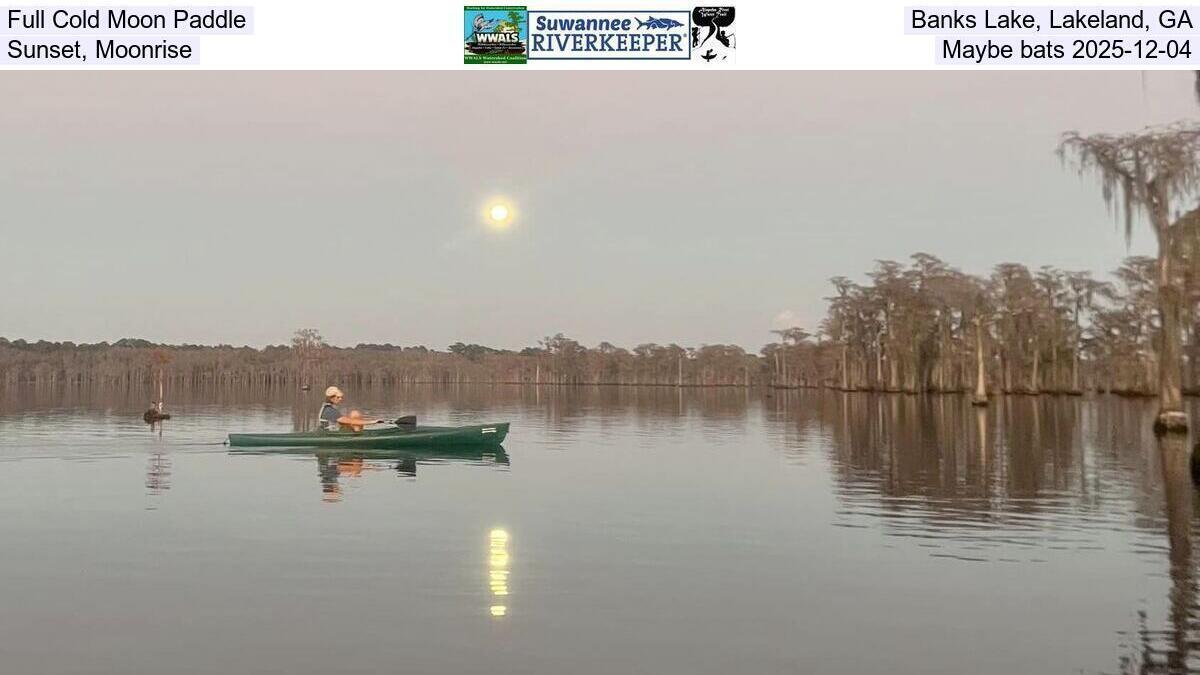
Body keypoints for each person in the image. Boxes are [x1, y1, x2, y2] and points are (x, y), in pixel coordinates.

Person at [318, 386, 385, 432]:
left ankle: (358, 434)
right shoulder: (329, 411)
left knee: (354, 415)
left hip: (335, 432)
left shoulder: (328, 408)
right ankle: (358, 437)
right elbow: (351, 421)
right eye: (338, 397)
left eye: (341, 397)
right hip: (329, 435)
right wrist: (373, 422)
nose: (340, 399)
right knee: (355, 414)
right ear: (331, 398)